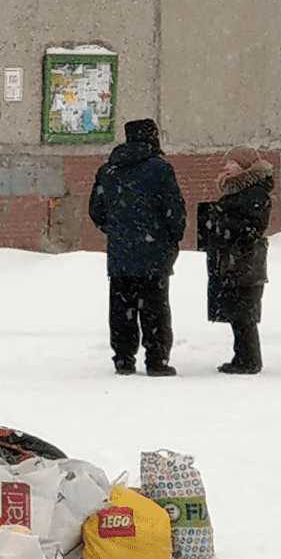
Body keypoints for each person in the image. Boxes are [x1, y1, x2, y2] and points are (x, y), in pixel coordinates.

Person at [88, 118, 185, 376]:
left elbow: (96, 211)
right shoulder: (160, 169)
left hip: (121, 253)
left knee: (122, 308)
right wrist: (171, 238)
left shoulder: (108, 170)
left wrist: (117, 230)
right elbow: (174, 210)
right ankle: (156, 360)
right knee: (155, 308)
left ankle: (123, 359)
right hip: (154, 254)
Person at [198, 146, 274, 374]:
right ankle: (242, 356)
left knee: (243, 313)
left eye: (232, 162)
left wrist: (221, 223)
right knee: (237, 312)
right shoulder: (239, 191)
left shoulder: (254, 192)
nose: (226, 166)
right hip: (233, 260)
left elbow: (253, 228)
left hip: (243, 261)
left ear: (245, 165)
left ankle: (248, 360)